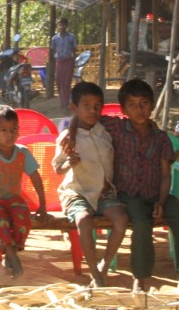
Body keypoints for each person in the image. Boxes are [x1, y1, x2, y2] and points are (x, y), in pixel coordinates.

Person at [103, 78, 179, 295]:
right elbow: (85, 118)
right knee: (141, 224)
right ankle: (140, 280)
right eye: (132, 105)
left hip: (156, 194)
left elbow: (166, 174)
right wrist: (72, 130)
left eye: (144, 103)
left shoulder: (161, 139)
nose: (139, 110)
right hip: (128, 195)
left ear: (151, 105)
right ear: (123, 108)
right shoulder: (116, 128)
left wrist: (160, 201)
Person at [53, 81, 128, 288]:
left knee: (121, 221)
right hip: (76, 192)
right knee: (84, 221)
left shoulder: (105, 131)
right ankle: (94, 273)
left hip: (104, 192)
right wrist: (68, 163)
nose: (93, 111)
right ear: (74, 107)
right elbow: (56, 168)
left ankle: (104, 265)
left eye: (98, 105)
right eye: (86, 105)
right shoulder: (68, 138)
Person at [0, 105, 48, 278]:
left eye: (14, 129)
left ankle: (11, 251)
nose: (10, 134)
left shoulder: (23, 153)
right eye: (3, 130)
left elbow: (36, 178)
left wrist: (42, 205)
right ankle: (11, 254)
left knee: (23, 217)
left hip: (13, 198)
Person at [50, 17, 77, 107]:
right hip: (59, 62)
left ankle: (66, 102)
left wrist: (72, 63)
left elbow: (74, 50)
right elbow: (53, 50)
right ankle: (62, 100)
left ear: (66, 26)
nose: (61, 27)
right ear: (58, 26)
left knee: (67, 82)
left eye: (63, 25)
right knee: (58, 81)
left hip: (68, 61)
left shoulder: (71, 37)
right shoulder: (55, 38)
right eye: (60, 25)